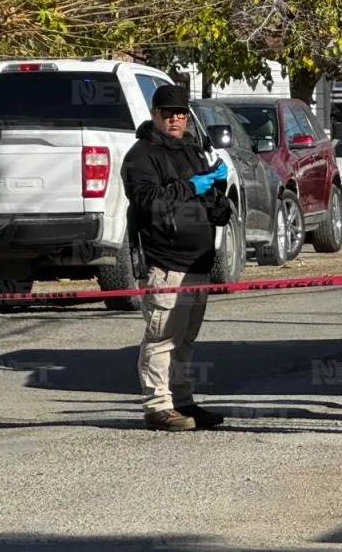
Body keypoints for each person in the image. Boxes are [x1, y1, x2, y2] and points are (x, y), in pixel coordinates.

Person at [123, 84, 231, 433]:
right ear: (155, 115)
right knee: (161, 337)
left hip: (197, 262)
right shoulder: (141, 155)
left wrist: (218, 197)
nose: (175, 119)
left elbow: (208, 202)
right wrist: (193, 186)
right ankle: (157, 405)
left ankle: (182, 401)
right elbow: (149, 201)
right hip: (164, 262)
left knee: (185, 339)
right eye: (168, 113)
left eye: (181, 113)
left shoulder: (192, 152)